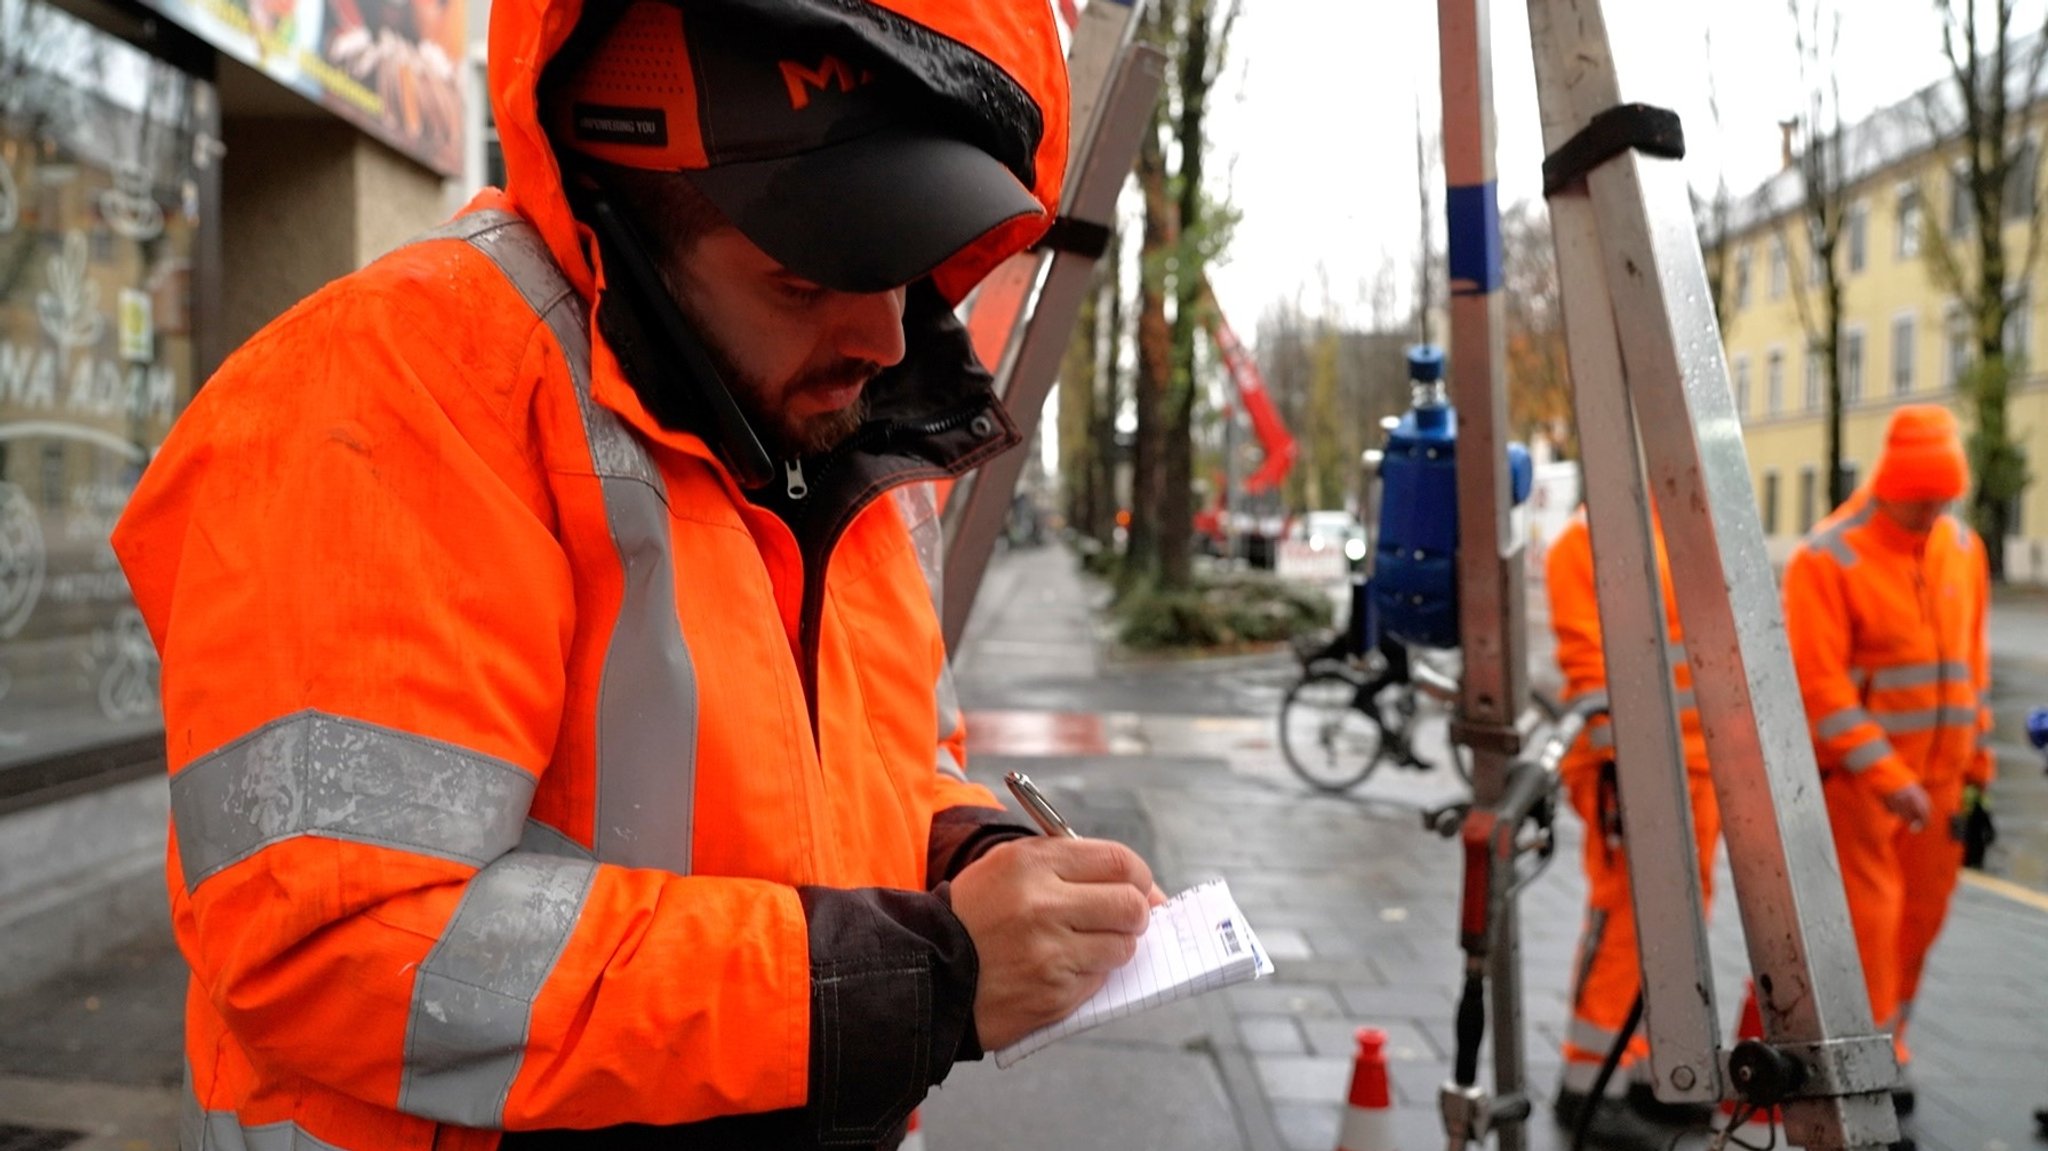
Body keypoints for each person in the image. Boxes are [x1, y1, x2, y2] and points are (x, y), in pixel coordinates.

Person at [109, 1, 1167, 1148]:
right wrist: (911, 979)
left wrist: (975, 849)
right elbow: (340, 938)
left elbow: (886, 757)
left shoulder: (840, 442)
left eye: (904, 270)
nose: (883, 337)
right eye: (802, 282)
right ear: (629, 221)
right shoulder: (389, 391)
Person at [1782, 403, 1992, 1119]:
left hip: (1939, 787)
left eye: (1944, 495)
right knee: (1869, 927)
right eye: (1923, 496)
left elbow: (1971, 666)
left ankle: (1889, 1045)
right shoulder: (1827, 557)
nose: (1934, 509)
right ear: (1890, 484)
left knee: (1917, 926)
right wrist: (1888, 776)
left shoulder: (1961, 548)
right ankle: (1864, 1075)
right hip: (1862, 788)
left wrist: (1978, 769)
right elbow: (1822, 689)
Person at [1545, 508, 1721, 1148]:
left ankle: (1650, 1071)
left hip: (1693, 761)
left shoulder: (1675, 524)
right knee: (1626, 916)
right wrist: (1621, 760)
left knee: (1682, 919)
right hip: (1636, 765)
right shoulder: (1587, 538)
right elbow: (1588, 658)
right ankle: (1588, 1082)